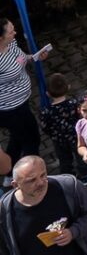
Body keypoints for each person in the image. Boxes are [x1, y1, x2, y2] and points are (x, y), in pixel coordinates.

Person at [2, 155, 87, 255]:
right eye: (31, 180)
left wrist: (73, 232)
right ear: (15, 185)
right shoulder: (4, 210)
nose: (40, 183)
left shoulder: (69, 186)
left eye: (43, 175)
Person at [0, 21, 49, 164]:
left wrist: (34, 57)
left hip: (22, 102)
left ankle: (9, 173)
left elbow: (20, 58)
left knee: (18, 138)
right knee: (31, 139)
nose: (14, 33)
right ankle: (32, 172)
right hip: (9, 109)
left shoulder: (11, 43)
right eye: (10, 32)